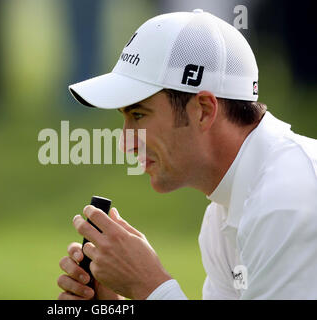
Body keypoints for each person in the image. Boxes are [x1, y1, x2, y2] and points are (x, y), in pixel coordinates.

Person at [57, 9, 317, 300]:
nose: (125, 143)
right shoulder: (222, 217)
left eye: (139, 114)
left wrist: (150, 286)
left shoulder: (286, 200)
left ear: (204, 110)